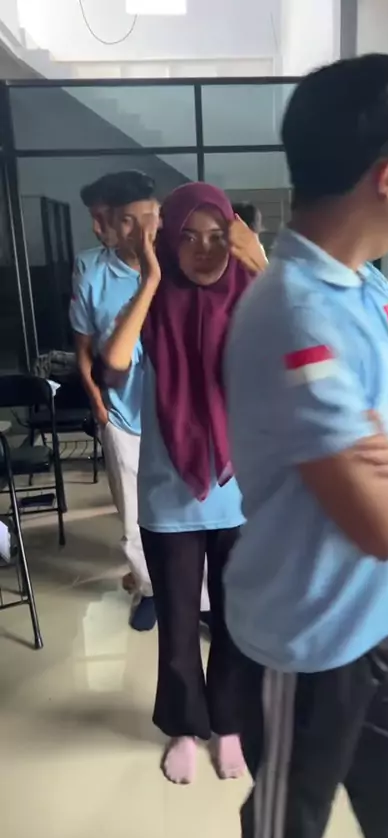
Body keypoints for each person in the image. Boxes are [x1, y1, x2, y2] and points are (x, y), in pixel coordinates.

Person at [225, 54, 388, 838]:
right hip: (303, 645)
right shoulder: (295, 314)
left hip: (381, 621)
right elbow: (383, 525)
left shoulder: (369, 289)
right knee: (281, 836)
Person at [100, 182, 267, 785]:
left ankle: (230, 724)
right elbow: (112, 365)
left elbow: (307, 348)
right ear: (167, 241)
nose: (204, 250)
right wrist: (150, 279)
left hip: (242, 494)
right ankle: (183, 727)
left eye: (218, 237)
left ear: (237, 238)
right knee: (176, 623)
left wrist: (261, 265)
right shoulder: (151, 304)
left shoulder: (255, 301)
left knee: (236, 622)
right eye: (188, 237)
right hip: (169, 499)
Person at [70, 170, 159, 632]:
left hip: (174, 415)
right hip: (123, 416)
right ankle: (149, 588)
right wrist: (99, 406)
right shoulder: (92, 272)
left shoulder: (179, 265)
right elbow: (83, 348)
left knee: (186, 510)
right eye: (128, 220)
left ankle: (195, 592)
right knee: (133, 517)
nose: (143, 231)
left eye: (151, 218)